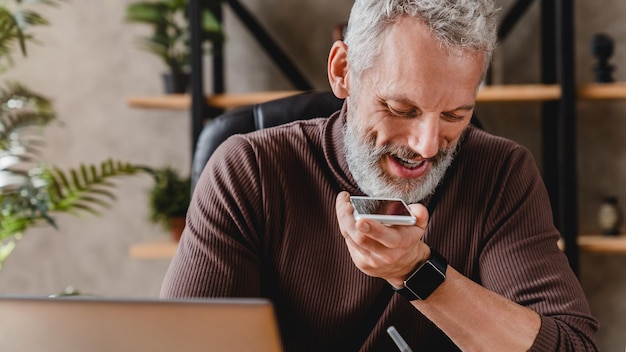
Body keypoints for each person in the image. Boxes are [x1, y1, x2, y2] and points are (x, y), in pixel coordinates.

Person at [161, 0, 599, 350]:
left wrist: (417, 272)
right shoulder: (248, 169)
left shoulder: (501, 173)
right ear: (342, 71)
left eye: (454, 115)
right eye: (401, 109)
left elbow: (571, 346)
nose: (427, 145)